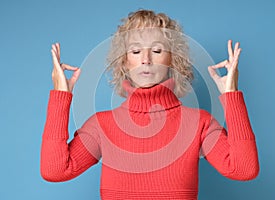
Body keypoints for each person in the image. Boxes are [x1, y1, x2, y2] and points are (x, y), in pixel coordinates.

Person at [40, 9, 259, 200]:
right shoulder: (101, 126)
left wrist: (231, 95)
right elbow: (55, 170)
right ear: (125, 62)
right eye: (135, 51)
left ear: (172, 59)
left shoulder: (199, 123)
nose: (146, 59)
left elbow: (244, 169)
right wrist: (61, 94)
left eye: (156, 50)